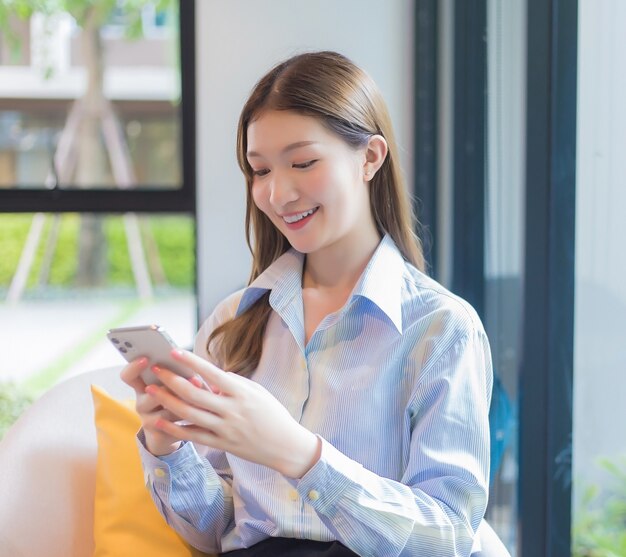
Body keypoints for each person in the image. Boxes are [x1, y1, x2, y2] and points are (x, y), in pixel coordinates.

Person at [121, 50, 493, 557]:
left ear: (370, 157)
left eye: (303, 163)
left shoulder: (440, 328)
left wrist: (297, 452)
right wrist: (167, 444)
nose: (277, 193)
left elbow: (447, 534)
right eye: (259, 170)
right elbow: (217, 528)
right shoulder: (234, 322)